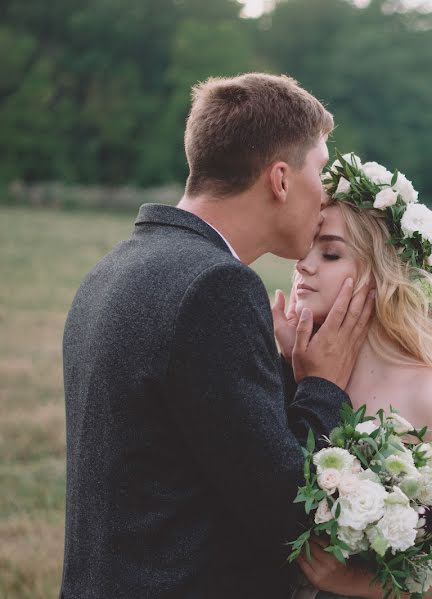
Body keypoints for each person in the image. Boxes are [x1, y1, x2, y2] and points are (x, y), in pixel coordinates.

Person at [61, 73, 374, 598]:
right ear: (280, 179)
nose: (324, 198)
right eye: (319, 171)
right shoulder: (216, 287)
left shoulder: (112, 269)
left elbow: (200, 450)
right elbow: (286, 510)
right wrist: (323, 384)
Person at [274, 154, 432, 599]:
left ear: (381, 273)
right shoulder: (298, 376)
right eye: (305, 248)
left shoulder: (431, 394)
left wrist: (351, 582)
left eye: (329, 252)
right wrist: (291, 367)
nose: (303, 265)